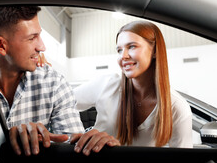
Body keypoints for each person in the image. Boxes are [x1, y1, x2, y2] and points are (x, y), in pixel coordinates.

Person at [0, 6, 119, 156]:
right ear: (1, 45)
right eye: (32, 38)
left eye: (39, 35)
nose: (42, 47)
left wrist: (90, 141)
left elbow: (72, 145)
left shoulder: (54, 84)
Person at [74, 20, 193, 148]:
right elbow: (58, 104)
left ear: (154, 51)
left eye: (131, 47)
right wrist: (74, 133)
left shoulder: (177, 107)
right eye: (119, 50)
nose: (123, 56)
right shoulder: (106, 84)